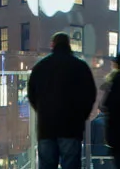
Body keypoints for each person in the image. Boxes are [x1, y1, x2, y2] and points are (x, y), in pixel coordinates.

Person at [26, 33, 97, 169]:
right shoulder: (80, 66)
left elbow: (32, 95)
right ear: (68, 44)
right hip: (71, 126)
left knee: (47, 164)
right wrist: (81, 116)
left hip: (46, 126)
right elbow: (90, 95)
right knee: (70, 163)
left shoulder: (41, 67)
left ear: (52, 44)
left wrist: (42, 111)